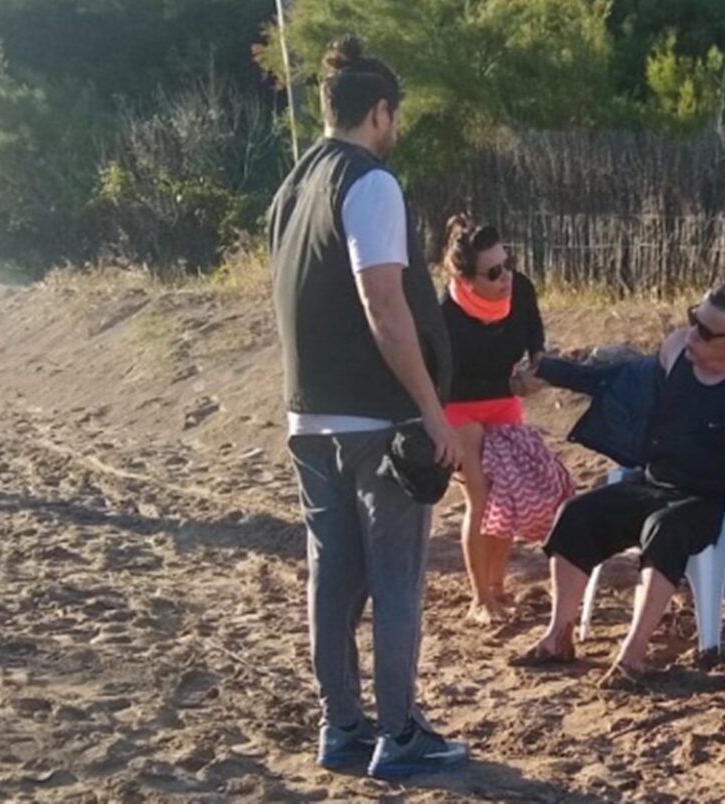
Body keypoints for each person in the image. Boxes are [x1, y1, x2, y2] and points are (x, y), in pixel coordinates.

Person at [268, 35, 468, 779]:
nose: (394, 130)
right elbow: (382, 301)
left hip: (308, 417)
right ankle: (400, 735)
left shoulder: (291, 187)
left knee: (332, 580)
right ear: (378, 112)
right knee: (395, 584)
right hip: (376, 423)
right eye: (394, 117)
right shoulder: (370, 181)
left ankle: (342, 728)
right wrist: (431, 409)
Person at [512, 286, 725, 682]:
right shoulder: (675, 351)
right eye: (692, 320)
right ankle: (557, 637)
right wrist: (553, 372)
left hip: (720, 502)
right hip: (658, 483)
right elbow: (615, 381)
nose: (691, 334)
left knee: (665, 528)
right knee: (577, 514)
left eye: (704, 331)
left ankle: (634, 654)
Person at [437, 216, 563, 625]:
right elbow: (438, 375)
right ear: (465, 278)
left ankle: (497, 588)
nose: (505, 276)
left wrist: (538, 371)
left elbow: (535, 341)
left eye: (506, 264)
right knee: (482, 493)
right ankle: (479, 599)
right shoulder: (444, 314)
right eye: (493, 272)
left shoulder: (519, 289)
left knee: (507, 490)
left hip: (502, 398)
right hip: (459, 404)